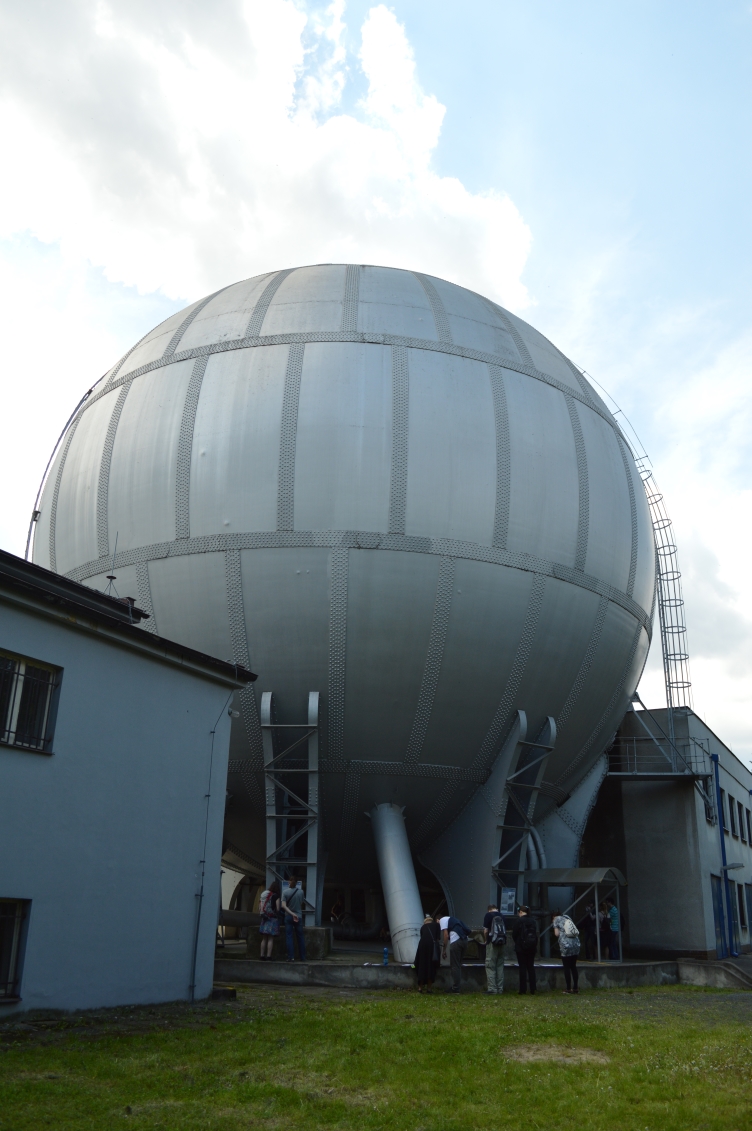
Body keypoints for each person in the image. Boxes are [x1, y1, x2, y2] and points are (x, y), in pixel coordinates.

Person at [439, 913, 471, 993]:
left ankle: (455, 988)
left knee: (455, 966)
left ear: (437, 920)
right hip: (465, 941)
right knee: (458, 965)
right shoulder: (454, 920)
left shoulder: (442, 920)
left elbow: (446, 936)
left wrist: (444, 950)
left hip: (456, 941)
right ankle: (457, 986)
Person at [552, 909, 581, 994]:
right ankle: (575, 988)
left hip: (566, 945)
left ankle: (568, 988)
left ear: (553, 916)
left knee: (567, 967)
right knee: (573, 966)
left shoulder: (556, 920)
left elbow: (556, 934)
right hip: (576, 944)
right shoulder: (567, 918)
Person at [512, 906, 538, 995]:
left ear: (520, 912)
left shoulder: (519, 921)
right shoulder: (533, 920)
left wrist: (518, 942)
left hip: (521, 947)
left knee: (522, 968)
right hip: (532, 947)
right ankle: (533, 988)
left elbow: (514, 934)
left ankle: (523, 989)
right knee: (531, 967)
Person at [281, 875, 306, 962]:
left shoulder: (285, 892)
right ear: (297, 883)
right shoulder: (301, 892)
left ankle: (291, 957)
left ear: (289, 882)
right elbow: (301, 902)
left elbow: (283, 906)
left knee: (289, 937)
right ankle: (302, 957)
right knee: (300, 937)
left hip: (288, 916)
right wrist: (295, 914)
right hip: (298, 916)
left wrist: (291, 913)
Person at [483, 903, 506, 995]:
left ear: (489, 910)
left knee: (490, 965)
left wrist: (486, 940)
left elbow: (486, 931)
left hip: (492, 943)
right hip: (502, 943)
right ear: (497, 909)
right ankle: (500, 989)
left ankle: (492, 989)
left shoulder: (488, 915)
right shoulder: (502, 915)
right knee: (500, 966)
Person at [414, 914, 440, 992]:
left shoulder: (422, 927)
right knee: (431, 966)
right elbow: (438, 938)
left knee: (422, 965)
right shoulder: (436, 925)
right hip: (432, 947)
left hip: (422, 946)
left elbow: (422, 937)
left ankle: (420, 988)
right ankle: (429, 988)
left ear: (425, 922)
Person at [258, 880, 280, 960]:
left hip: (264, 918)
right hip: (272, 919)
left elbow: (260, 906)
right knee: (270, 938)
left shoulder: (265, 894)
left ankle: (261, 955)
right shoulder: (276, 896)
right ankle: (269, 956)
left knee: (264, 938)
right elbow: (278, 908)